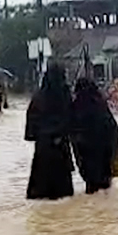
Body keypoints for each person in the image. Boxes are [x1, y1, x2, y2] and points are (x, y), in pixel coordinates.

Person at [24, 63, 74, 200]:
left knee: (41, 187)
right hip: (60, 144)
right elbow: (71, 118)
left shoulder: (39, 96)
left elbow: (31, 119)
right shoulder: (65, 94)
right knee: (63, 194)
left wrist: (36, 135)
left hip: (43, 146)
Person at [70, 77, 118, 195]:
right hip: (105, 154)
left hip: (86, 155)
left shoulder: (76, 106)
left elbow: (71, 130)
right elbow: (113, 127)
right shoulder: (100, 104)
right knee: (105, 189)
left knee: (92, 188)